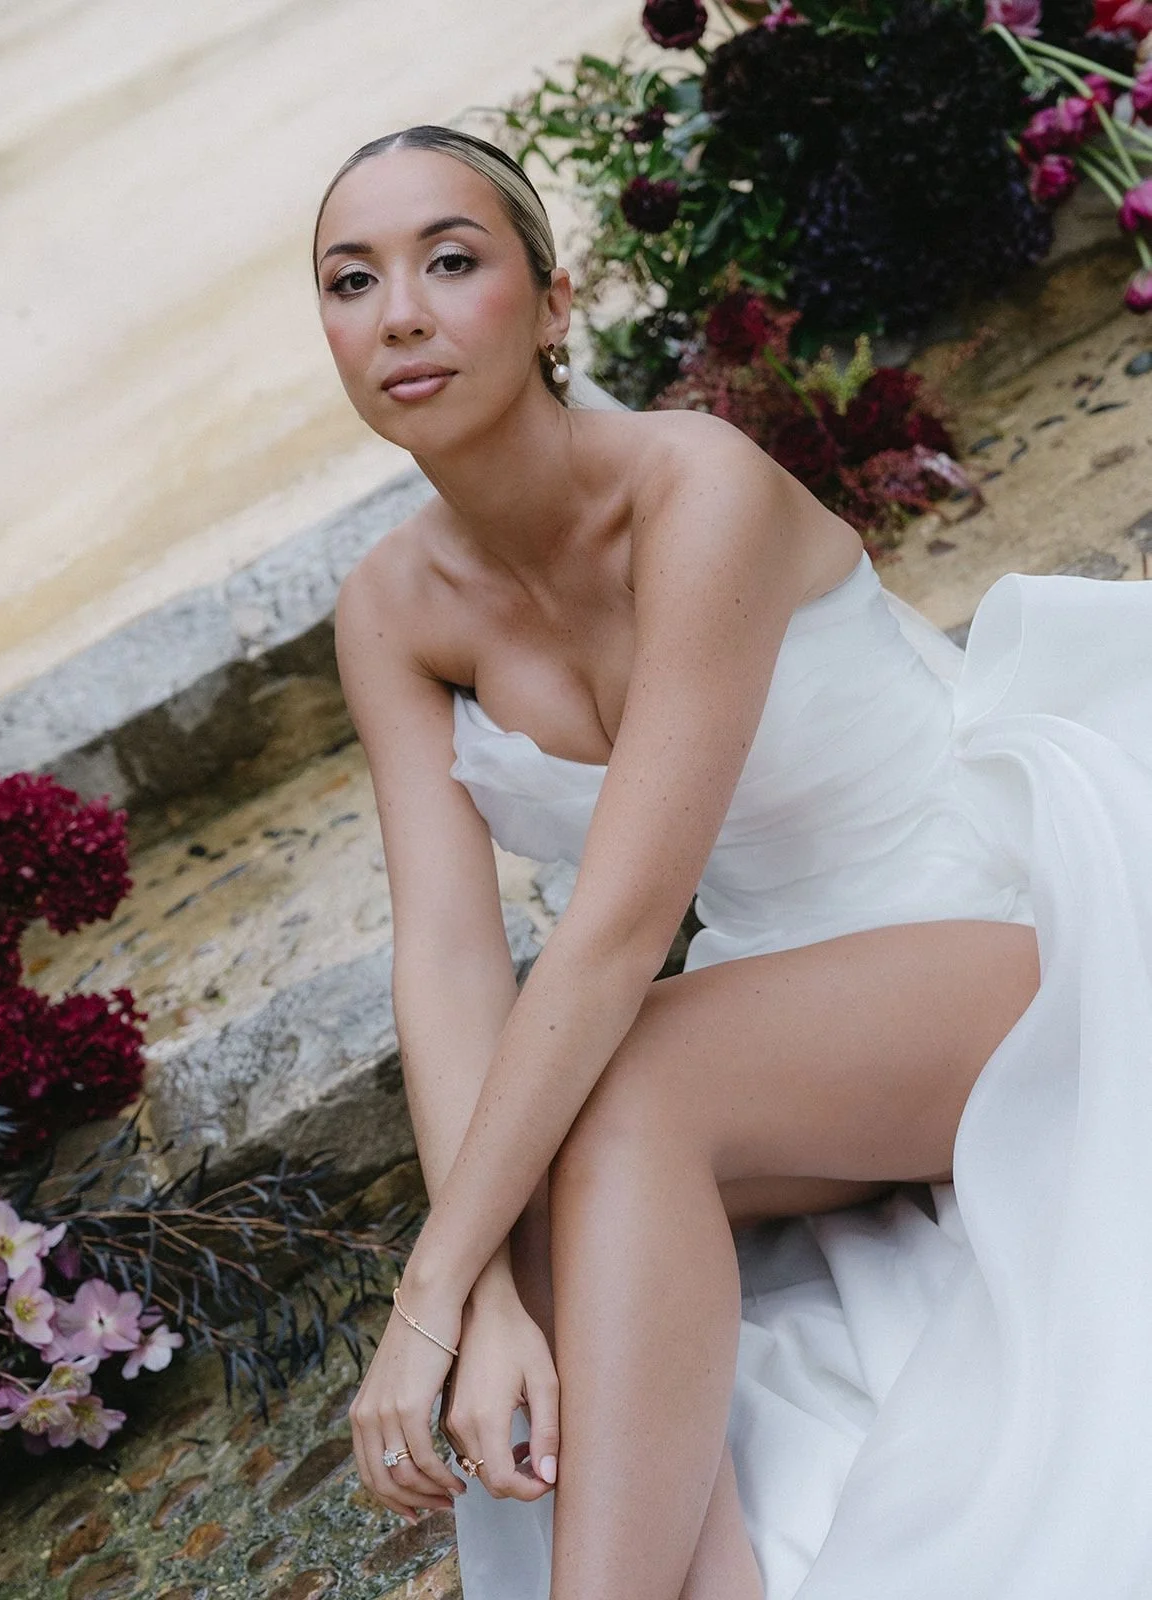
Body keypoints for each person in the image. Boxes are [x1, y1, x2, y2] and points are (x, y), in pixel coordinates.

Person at [315, 124, 1152, 1600]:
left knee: (616, 1078)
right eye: (351, 281)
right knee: (546, 1223)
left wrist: (429, 1293)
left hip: (997, 929)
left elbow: (626, 923)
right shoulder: (391, 608)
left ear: (556, 300)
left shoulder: (695, 488)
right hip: (783, 1022)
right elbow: (445, 954)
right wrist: (488, 1286)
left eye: (452, 262)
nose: (401, 316)